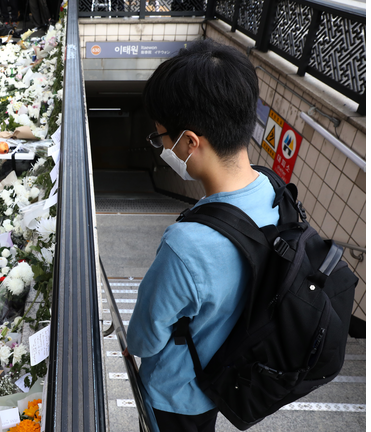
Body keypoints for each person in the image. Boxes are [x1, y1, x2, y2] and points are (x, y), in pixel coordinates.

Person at [125, 39, 278, 432]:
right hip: (221, 379)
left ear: (190, 142)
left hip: (175, 395)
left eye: (162, 138)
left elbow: (143, 340)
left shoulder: (186, 246)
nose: (163, 148)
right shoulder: (273, 191)